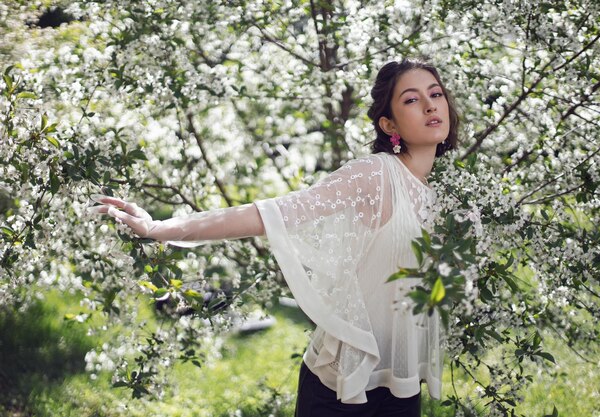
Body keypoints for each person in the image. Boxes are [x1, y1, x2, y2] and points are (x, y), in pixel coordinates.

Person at [89, 57, 459, 417]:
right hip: (343, 383)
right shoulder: (376, 174)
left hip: (402, 381)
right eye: (411, 99)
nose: (429, 105)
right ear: (389, 123)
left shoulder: (443, 190)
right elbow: (273, 214)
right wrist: (161, 229)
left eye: (436, 94)